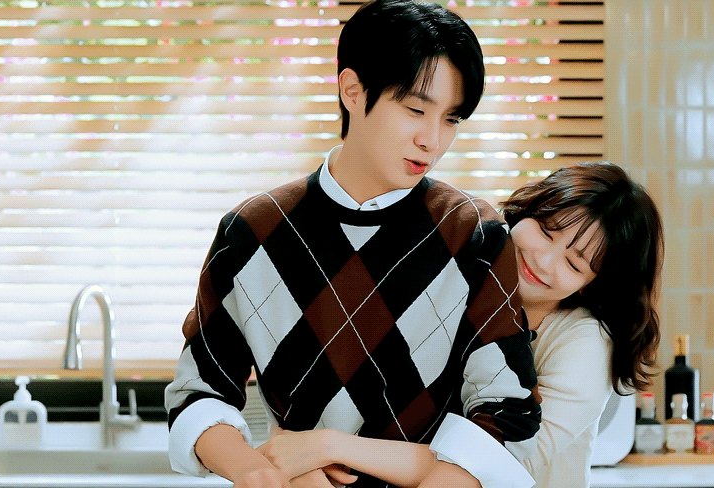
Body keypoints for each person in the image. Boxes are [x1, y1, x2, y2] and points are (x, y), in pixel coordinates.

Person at [163, 1, 540, 487]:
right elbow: (199, 394)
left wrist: (328, 449)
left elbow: (506, 421)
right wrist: (260, 471)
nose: (432, 140)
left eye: (451, 119)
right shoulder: (252, 231)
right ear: (352, 91)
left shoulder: (474, 236)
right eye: (416, 110)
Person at [259, 162, 664, 488]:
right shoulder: (458, 277)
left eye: (574, 264)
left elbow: (497, 461)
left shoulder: (584, 343)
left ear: (594, 284)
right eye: (545, 231)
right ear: (526, 210)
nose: (543, 260)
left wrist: (332, 446)